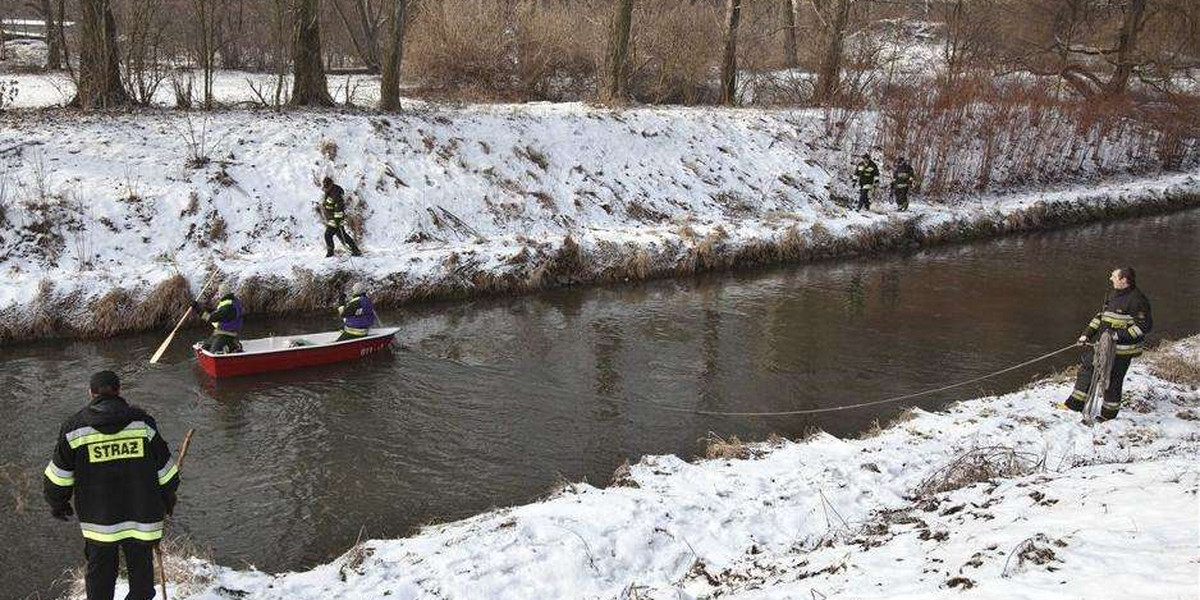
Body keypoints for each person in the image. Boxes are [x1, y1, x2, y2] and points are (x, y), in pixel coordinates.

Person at [43, 371, 180, 600]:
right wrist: (167, 498)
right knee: (142, 580)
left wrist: (58, 503)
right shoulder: (143, 424)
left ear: (91, 393)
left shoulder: (75, 428)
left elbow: (59, 476)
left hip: (99, 522)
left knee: (100, 576)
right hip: (142, 517)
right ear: (119, 390)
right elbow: (166, 472)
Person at [1065, 267, 1153, 421]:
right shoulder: (1113, 295)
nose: (1110, 279)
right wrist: (1086, 334)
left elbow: (1144, 326)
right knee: (1087, 368)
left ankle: (1108, 415)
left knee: (1112, 380)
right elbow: (1100, 317)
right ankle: (1075, 404)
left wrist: (1118, 335)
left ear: (1124, 280)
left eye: (1114, 276)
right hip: (1103, 345)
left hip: (1123, 350)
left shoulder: (1138, 300)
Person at [193, 282, 244, 354]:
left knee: (214, 352)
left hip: (228, 334)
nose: (218, 295)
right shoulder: (229, 301)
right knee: (205, 348)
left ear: (222, 294)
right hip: (220, 332)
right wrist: (201, 308)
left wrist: (198, 310)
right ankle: (229, 344)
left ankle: (233, 345)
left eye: (219, 293)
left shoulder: (228, 306)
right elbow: (217, 313)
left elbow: (211, 318)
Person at [321, 177, 362, 258]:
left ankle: (330, 253)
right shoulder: (330, 192)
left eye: (326, 187)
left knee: (328, 235)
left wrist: (337, 221)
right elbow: (329, 203)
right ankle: (356, 250)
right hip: (332, 218)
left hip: (336, 219)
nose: (325, 188)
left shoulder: (336, 194)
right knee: (343, 236)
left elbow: (339, 208)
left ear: (331, 185)